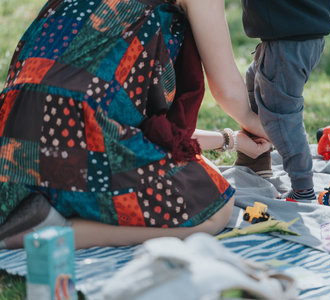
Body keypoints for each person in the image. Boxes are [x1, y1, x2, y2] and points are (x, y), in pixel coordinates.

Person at [0, 0, 271, 249]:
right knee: (215, 205)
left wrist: (230, 140)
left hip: (15, 127)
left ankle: (44, 203)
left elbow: (118, 120)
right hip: (80, 129)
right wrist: (257, 122)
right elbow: (227, 90)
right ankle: (51, 231)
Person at [234, 0, 330, 201]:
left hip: (287, 40)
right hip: (303, 30)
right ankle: (256, 160)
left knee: (281, 116)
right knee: (254, 77)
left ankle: (303, 187)